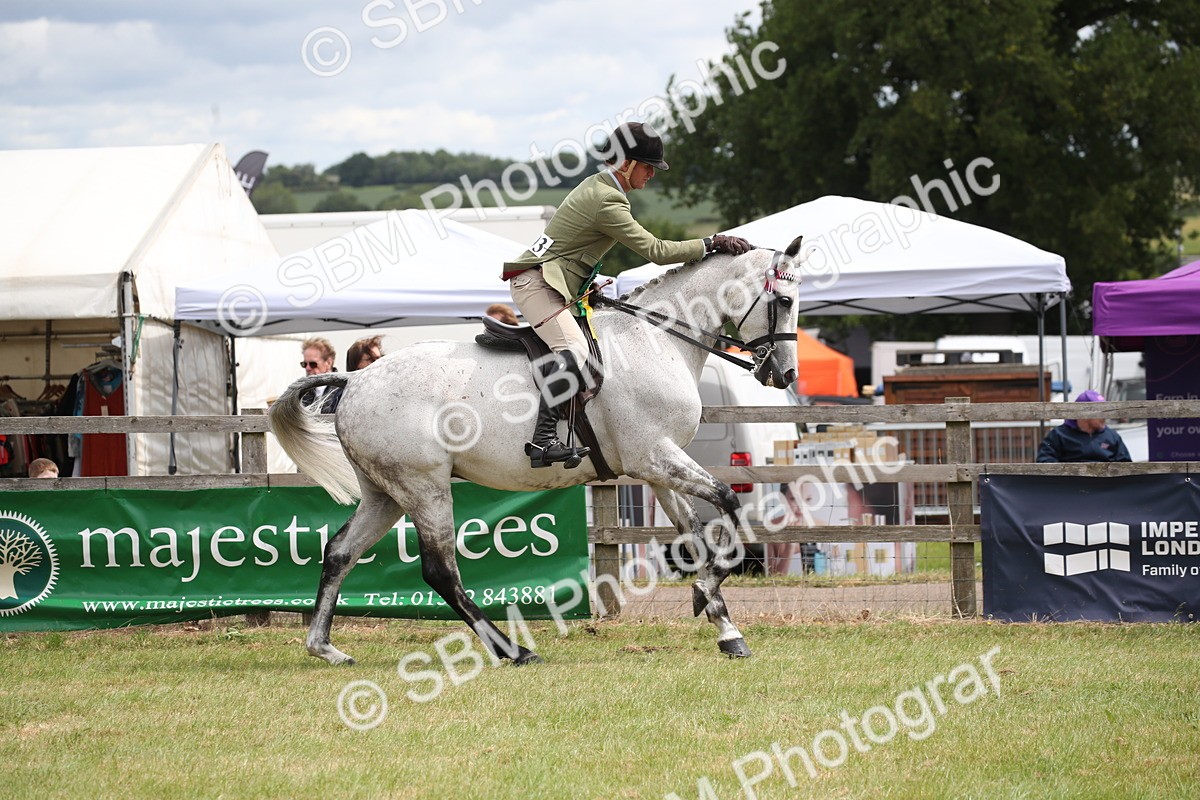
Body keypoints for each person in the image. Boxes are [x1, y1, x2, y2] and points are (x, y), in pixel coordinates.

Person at [500, 121, 752, 468]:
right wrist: (710, 243)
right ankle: (543, 440)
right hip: (538, 286)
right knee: (575, 351)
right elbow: (656, 251)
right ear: (626, 163)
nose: (652, 174)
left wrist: (584, 285)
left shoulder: (598, 186)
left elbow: (572, 251)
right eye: (648, 166)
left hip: (553, 284)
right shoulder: (607, 199)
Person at [1037, 390, 1132, 463]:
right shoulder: (1058, 435)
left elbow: (1126, 464)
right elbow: (1045, 460)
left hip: (1106, 482)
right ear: (1084, 414)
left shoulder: (1112, 436)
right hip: (1071, 482)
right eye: (1101, 412)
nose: (1105, 416)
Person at [298, 337, 342, 413]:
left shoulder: (343, 390)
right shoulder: (300, 392)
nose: (307, 368)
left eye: (313, 364)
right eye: (304, 364)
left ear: (328, 363)